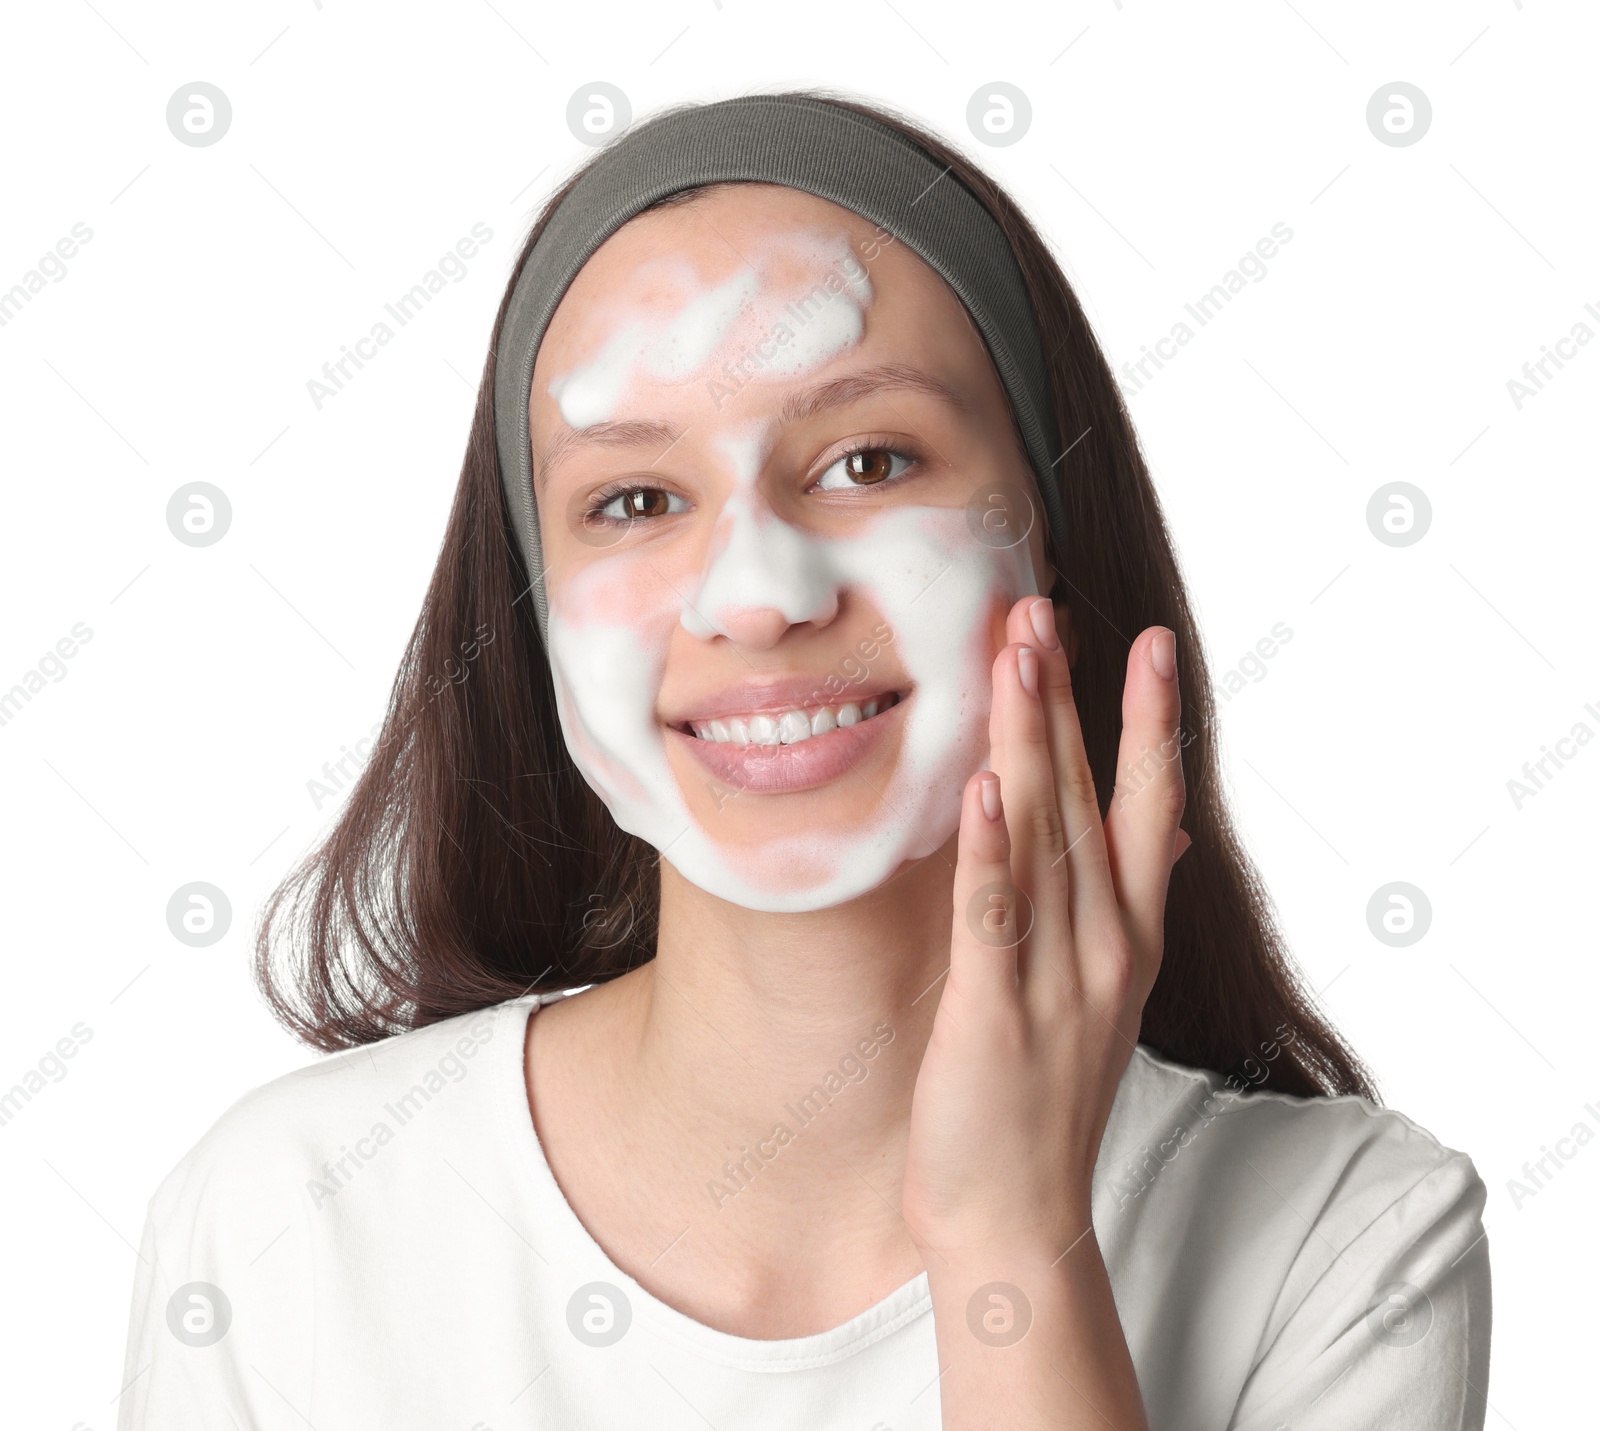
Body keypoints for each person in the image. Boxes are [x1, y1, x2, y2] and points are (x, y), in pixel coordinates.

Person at [117, 90, 1491, 1430]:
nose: (759, 593)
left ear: (1053, 548)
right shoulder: (281, 1226)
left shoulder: (1342, 1245)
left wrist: (1010, 1242)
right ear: (534, 616)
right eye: (636, 499)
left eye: (869, 460)